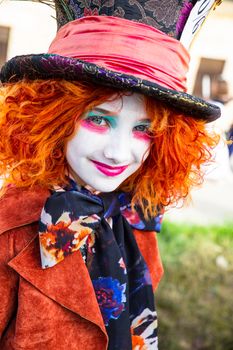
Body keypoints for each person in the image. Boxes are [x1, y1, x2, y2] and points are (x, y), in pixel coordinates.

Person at [0, 1, 222, 349]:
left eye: (143, 129)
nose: (118, 153)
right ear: (51, 118)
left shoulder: (134, 216)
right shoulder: (9, 233)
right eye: (99, 119)